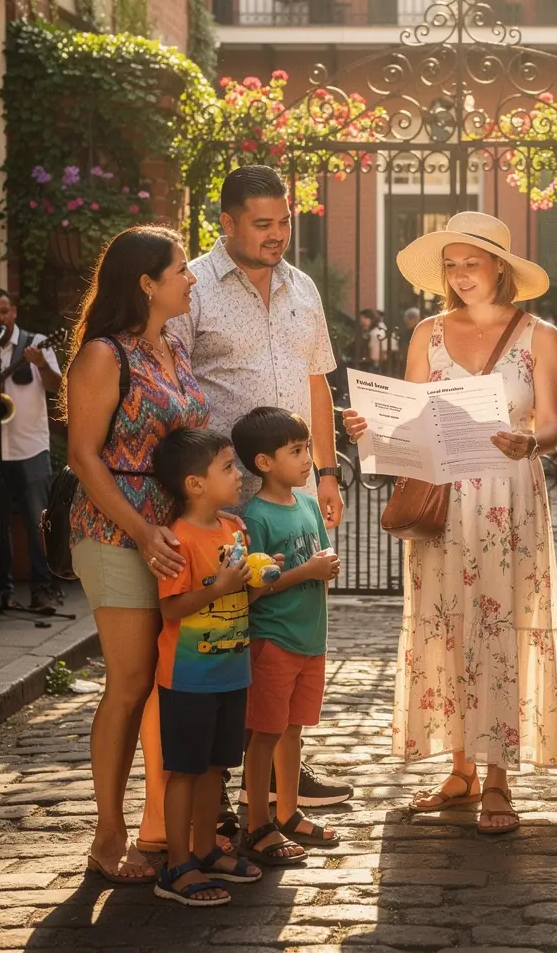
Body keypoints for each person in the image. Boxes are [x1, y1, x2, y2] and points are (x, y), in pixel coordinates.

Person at [343, 211, 557, 834]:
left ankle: (498, 776)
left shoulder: (539, 335)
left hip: (508, 498)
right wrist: (372, 427)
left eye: (472, 261)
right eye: (452, 264)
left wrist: (531, 442)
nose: (461, 274)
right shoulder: (428, 332)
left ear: (501, 266)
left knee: (499, 625)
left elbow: (550, 420)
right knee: (446, 624)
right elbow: (413, 419)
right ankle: (460, 769)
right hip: (444, 497)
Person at [165, 165, 352, 840]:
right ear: (229, 222)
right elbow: (173, 385)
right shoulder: (195, 291)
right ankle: (221, 790)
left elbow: (319, 383)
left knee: (286, 636)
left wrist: (325, 471)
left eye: (284, 221)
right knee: (225, 639)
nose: (278, 234)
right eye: (263, 223)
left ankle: (280, 775)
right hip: (222, 504)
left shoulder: (303, 288)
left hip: (290, 496)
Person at [64, 226, 209, 884]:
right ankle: (106, 834)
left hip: (175, 536)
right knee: (126, 687)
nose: (192, 278)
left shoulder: (174, 347)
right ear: (146, 282)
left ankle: (166, 826)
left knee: (165, 683)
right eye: (181, 269)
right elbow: (83, 455)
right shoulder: (102, 354)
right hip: (115, 532)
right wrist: (143, 530)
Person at [151, 428, 263, 905]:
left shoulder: (235, 529)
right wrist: (220, 586)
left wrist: (259, 577)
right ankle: (176, 865)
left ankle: (204, 849)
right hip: (189, 678)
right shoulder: (176, 540)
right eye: (228, 467)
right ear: (195, 484)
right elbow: (172, 610)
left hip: (232, 673)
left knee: (217, 766)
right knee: (185, 770)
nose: (238, 475)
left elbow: (244, 595)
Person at [232, 406, 342, 864]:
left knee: (293, 731)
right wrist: (307, 571)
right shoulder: (255, 518)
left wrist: (323, 569)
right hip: (273, 640)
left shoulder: (309, 506)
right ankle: (257, 822)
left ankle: (289, 812)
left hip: (310, 638)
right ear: (264, 463)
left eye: (307, 449)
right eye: (296, 451)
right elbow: (252, 591)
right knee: (264, 734)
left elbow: (319, 559)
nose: (306, 460)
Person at [0, 288, 62, 611]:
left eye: (5, 311)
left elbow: (57, 386)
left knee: (37, 523)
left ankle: (42, 591)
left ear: (14, 312)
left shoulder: (37, 342)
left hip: (31, 447)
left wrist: (41, 366)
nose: (0, 319)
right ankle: (0, 591)